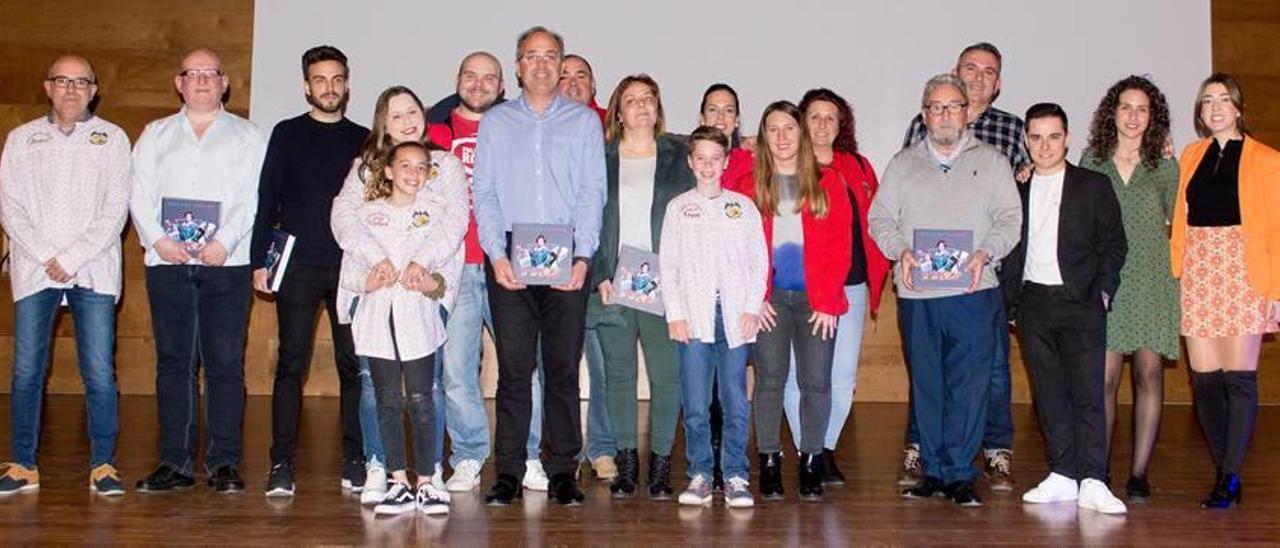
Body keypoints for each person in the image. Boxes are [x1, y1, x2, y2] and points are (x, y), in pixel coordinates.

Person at [869, 73, 1021, 507]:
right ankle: (933, 472)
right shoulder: (902, 164)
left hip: (974, 292)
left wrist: (984, 253)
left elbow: (1010, 219)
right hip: (918, 296)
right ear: (924, 115)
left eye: (953, 105)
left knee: (969, 385)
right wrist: (900, 252)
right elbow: (880, 220)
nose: (945, 114)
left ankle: (959, 474)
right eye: (936, 107)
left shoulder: (992, 162)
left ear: (967, 112)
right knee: (929, 383)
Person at [473, 26, 607, 506]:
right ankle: (507, 472)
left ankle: (563, 471)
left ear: (561, 62)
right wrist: (495, 252)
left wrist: (585, 256)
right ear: (518, 66)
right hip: (510, 254)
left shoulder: (585, 123)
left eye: (551, 56)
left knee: (563, 369)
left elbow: (594, 192)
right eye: (532, 56)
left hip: (567, 255)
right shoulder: (496, 123)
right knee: (513, 369)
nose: (543, 64)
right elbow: (483, 192)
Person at [130, 48, 266, 493]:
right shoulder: (154, 135)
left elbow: (253, 198)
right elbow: (139, 193)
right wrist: (158, 240)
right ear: (179, 83)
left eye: (212, 73)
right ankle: (175, 463)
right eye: (194, 74)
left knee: (225, 364)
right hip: (166, 263)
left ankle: (224, 463)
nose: (203, 80)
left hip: (226, 264)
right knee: (174, 364)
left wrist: (223, 242)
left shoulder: (249, 136)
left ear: (224, 83)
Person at [423, 51, 556, 493]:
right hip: (456, 268)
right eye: (470, 75)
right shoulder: (432, 135)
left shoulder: (516, 131)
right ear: (457, 79)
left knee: (523, 369)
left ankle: (529, 455)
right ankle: (469, 456)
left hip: (509, 266)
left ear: (503, 87)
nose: (479, 85)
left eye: (489, 78)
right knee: (458, 370)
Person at [0, 54, 131, 496]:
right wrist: (44, 254)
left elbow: (116, 209)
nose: (72, 89)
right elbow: (10, 206)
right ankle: (22, 464)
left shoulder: (112, 139)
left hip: (92, 268)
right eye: (62, 81)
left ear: (94, 90)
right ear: (47, 86)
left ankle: (103, 464)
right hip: (35, 270)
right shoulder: (22, 139)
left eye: (81, 82)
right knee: (26, 371)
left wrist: (71, 257)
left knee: (98, 370)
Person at [331, 86, 467, 504]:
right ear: (382, 125)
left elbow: (453, 223)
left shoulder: (443, 165)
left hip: (425, 293)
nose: (408, 119)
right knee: (377, 389)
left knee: (428, 390)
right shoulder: (365, 168)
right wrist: (375, 263)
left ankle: (429, 475)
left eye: (413, 111)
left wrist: (423, 267)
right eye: (396, 115)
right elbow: (345, 220)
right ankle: (382, 467)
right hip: (376, 298)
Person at [250, 45, 370, 498]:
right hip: (296, 266)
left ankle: (355, 460)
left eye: (337, 79)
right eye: (320, 80)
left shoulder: (363, 137)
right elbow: (267, 198)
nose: (329, 88)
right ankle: (281, 463)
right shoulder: (285, 133)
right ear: (306, 86)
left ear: (346, 84)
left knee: (352, 366)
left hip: (350, 269)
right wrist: (261, 259)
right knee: (290, 365)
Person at [1000, 103, 1128, 515]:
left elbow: (1114, 244)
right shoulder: (1016, 188)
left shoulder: (1093, 185)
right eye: (1035, 137)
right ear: (1025, 141)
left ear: (1067, 138)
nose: (1045, 145)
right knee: (1049, 393)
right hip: (1034, 303)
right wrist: (1012, 303)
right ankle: (1063, 474)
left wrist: (1104, 290)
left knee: (1088, 393)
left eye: (1054, 136)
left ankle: (1094, 478)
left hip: (1083, 301)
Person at [1172, 73, 1280, 508]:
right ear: (1200, 112)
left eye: (1223, 99)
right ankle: (1225, 468)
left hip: (1244, 271)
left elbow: (1275, 228)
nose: (1215, 107)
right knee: (1204, 381)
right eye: (1206, 101)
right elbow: (1181, 216)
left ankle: (1229, 477)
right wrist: (1177, 270)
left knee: (1239, 380)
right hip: (1199, 267)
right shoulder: (1190, 155)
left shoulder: (1268, 160)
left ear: (1237, 107)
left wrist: (1274, 287)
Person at [737, 101, 852, 501]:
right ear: (763, 136)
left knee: (816, 383)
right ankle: (769, 460)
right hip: (769, 302)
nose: (783, 137)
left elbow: (841, 246)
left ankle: (811, 461)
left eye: (790, 128)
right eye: (773, 129)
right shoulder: (747, 186)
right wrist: (755, 297)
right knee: (768, 382)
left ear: (802, 134)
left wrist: (828, 300)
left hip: (815, 303)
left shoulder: (829, 182)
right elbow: (737, 250)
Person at [1078, 75, 1181, 502]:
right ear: (1112, 112)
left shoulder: (1164, 163)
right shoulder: (1091, 160)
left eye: (1142, 108)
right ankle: (1099, 470)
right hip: (1107, 280)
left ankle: (1138, 473)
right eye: (1126, 107)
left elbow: (1180, 221)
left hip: (1153, 280)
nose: (1133, 116)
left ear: (1152, 116)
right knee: (1102, 380)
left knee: (1148, 374)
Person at [591, 74, 694, 499]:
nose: (641, 107)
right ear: (618, 110)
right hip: (615, 282)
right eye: (631, 100)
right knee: (619, 375)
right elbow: (589, 221)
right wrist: (598, 272)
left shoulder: (680, 153)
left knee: (667, 376)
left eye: (648, 99)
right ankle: (627, 462)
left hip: (663, 281)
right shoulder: (599, 156)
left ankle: (661, 465)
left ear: (658, 106)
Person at [781, 88, 889, 485]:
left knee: (841, 377)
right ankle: (807, 450)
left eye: (831, 117)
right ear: (801, 122)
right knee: (801, 376)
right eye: (814, 117)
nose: (823, 125)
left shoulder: (858, 166)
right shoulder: (789, 168)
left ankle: (823, 451)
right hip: (804, 289)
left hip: (852, 286)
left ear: (841, 125)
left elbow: (878, 220)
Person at [663, 126, 767, 508]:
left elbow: (759, 263)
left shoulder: (743, 207)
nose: (708, 166)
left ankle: (736, 474)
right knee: (695, 402)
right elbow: (669, 266)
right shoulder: (678, 208)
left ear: (726, 162)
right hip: (693, 318)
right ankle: (701, 474)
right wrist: (675, 312)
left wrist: (751, 307)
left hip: (735, 320)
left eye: (715, 159)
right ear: (691, 162)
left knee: (735, 400)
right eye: (701, 159)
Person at [551, 52, 618, 482]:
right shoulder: (539, 126)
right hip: (552, 261)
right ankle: (562, 450)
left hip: (604, 265)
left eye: (582, 76)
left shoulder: (613, 131)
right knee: (557, 364)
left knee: (606, 365)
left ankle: (603, 448)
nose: (573, 82)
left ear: (595, 86)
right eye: (564, 75)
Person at [698, 82, 753, 488]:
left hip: (741, 292)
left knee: (735, 386)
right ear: (702, 118)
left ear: (737, 119)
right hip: (700, 294)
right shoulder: (692, 161)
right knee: (703, 387)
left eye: (728, 110)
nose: (720, 116)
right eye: (713, 110)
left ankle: (735, 462)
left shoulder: (754, 163)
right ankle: (707, 458)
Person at [559, 54, 607, 124]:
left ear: (592, 84)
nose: (573, 82)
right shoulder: (542, 123)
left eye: (580, 77)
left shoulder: (610, 122)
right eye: (564, 77)